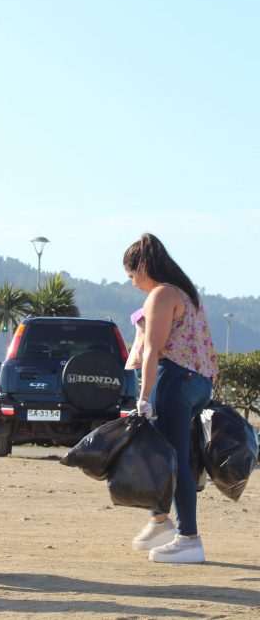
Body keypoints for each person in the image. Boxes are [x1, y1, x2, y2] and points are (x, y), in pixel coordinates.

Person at [123, 233, 218, 564]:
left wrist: (143, 397)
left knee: (172, 460)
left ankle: (187, 538)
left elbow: (153, 350)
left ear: (143, 267)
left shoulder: (161, 294)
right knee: (167, 455)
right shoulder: (186, 292)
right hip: (198, 382)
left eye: (132, 275)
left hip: (175, 381)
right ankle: (160, 520)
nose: (133, 283)